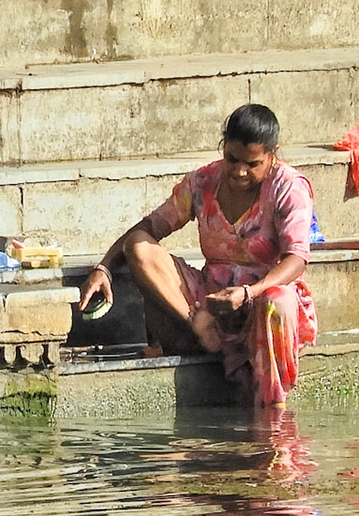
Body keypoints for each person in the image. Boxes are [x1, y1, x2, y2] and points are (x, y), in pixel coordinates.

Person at [77, 104, 319, 408]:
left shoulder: (288, 187)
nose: (240, 171)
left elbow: (297, 257)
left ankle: (271, 410)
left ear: (273, 155)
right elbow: (149, 227)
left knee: (276, 301)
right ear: (223, 147)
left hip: (262, 301)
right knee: (139, 245)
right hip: (209, 304)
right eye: (232, 159)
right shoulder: (203, 181)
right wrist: (105, 267)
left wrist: (248, 293)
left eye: (252, 164)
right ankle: (199, 328)